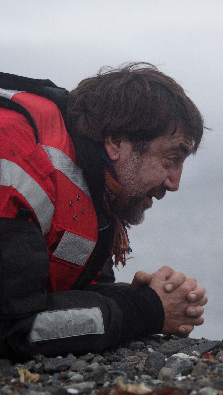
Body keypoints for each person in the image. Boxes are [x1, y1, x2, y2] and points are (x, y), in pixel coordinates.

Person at [0, 63, 208, 360]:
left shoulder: (95, 188)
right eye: (171, 158)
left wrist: (141, 298)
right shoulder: (15, 160)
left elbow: (77, 292)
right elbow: (14, 327)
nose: (174, 183)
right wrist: (146, 311)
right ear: (116, 142)